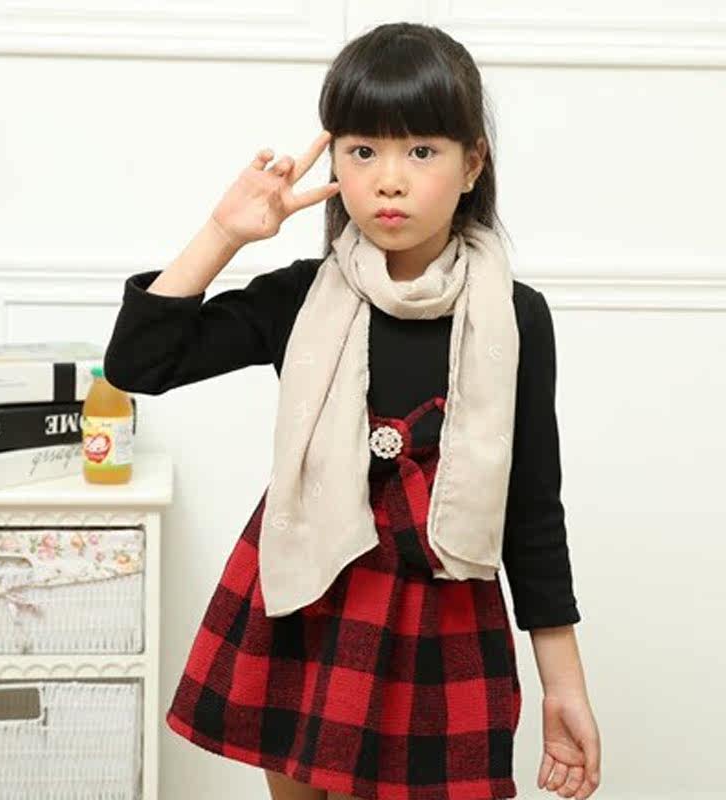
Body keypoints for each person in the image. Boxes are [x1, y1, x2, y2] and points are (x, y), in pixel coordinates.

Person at [103, 21, 601, 800]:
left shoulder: (515, 317)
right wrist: (224, 233)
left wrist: (563, 686)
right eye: (363, 150)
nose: (389, 180)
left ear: (472, 164)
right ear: (334, 159)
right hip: (307, 597)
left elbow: (531, 509)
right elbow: (141, 364)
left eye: (422, 151)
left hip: (440, 618)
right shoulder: (302, 297)